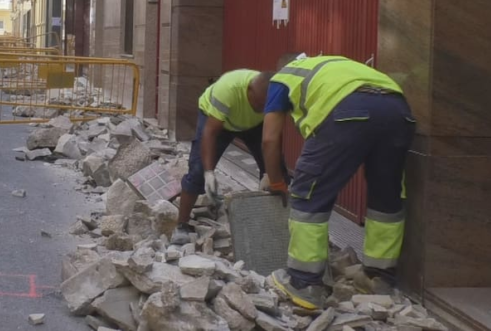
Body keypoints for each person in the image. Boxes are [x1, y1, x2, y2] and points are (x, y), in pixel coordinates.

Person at [259, 53, 415, 310]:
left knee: (308, 192)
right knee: (386, 195)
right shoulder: (332, 65)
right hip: (398, 111)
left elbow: (269, 138)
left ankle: (304, 283)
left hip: (347, 111)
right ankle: (379, 277)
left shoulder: (283, 77)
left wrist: (276, 181)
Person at [171, 69, 288, 245]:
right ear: (249, 91)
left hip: (253, 126)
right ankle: (181, 225)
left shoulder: (273, 97)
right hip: (220, 122)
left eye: (266, 106)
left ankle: (276, 225)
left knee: (278, 173)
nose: (262, 109)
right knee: (197, 170)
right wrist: (209, 173)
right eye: (258, 104)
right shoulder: (228, 90)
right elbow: (209, 133)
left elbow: (273, 138)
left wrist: (270, 172)